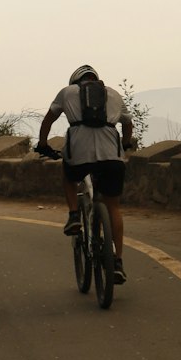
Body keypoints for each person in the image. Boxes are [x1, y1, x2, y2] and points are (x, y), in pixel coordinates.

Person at [37, 64, 136, 285]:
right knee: (113, 207)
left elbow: (48, 120)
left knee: (69, 176)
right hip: (112, 155)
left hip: (79, 153)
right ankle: (117, 262)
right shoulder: (114, 94)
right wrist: (126, 143)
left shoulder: (67, 92)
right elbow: (128, 124)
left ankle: (74, 215)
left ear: (76, 82)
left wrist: (43, 144)